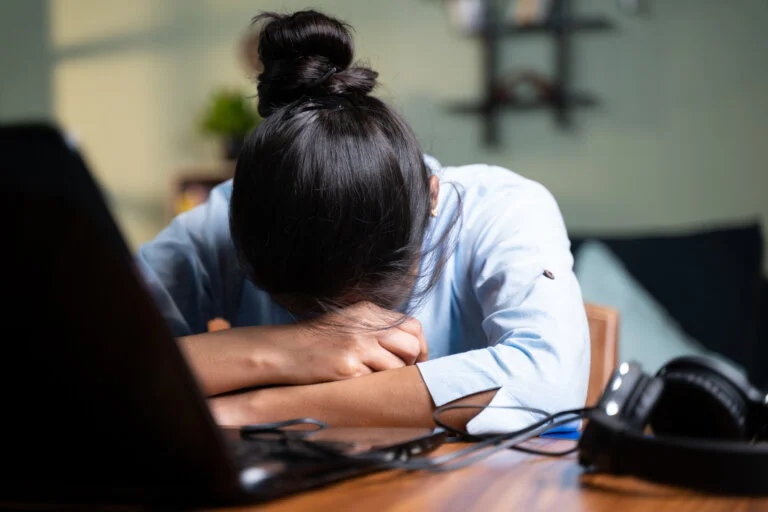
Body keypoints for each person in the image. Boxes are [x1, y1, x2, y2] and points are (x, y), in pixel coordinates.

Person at [137, 9, 590, 435]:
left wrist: (256, 409)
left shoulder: (502, 209)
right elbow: (80, 366)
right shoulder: (226, 218)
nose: (343, 325)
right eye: (303, 306)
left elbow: (550, 381)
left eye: (370, 300)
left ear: (431, 199)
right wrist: (287, 347)